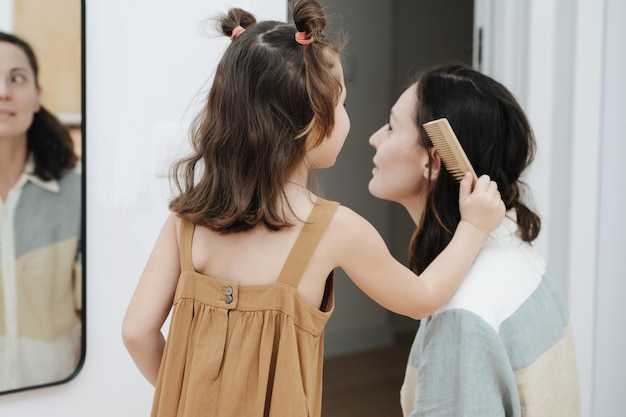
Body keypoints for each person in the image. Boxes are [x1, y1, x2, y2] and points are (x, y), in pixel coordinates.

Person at [121, 3, 505, 416]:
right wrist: (474, 226)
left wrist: (192, 396)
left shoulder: (186, 221)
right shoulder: (335, 229)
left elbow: (137, 331)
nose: (347, 119)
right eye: (342, 105)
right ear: (309, 123)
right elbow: (422, 297)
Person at [368, 63, 580, 417]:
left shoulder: (463, 314)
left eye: (391, 126)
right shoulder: (517, 252)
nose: (375, 137)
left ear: (434, 160)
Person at [0, 31, 82, 392]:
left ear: (36, 98)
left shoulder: (76, 193)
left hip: (60, 401)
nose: (3, 91)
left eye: (16, 78)